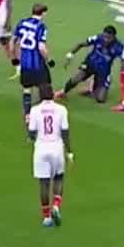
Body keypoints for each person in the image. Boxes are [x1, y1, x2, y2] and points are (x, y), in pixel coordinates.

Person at [56, 25, 124, 104]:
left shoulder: (119, 47)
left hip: (103, 72)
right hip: (89, 64)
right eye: (104, 36)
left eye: (109, 38)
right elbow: (81, 44)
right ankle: (63, 92)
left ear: (114, 37)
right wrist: (71, 54)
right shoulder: (98, 38)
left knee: (100, 99)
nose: (106, 40)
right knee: (76, 78)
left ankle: (95, 86)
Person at [28, 84, 73, 227]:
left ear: (40, 95)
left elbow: (31, 133)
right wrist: (69, 151)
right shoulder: (61, 109)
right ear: (53, 94)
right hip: (56, 148)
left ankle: (46, 217)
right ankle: (56, 205)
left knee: (44, 183)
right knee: (59, 178)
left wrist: (33, 136)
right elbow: (65, 132)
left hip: (41, 149)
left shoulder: (35, 110)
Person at [11, 2, 52, 119]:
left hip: (25, 64)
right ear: (43, 13)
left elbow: (12, 42)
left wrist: (14, 59)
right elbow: (41, 47)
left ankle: (27, 115)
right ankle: (44, 111)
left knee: (27, 89)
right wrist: (49, 60)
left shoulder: (21, 23)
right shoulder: (41, 26)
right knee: (45, 87)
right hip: (37, 64)